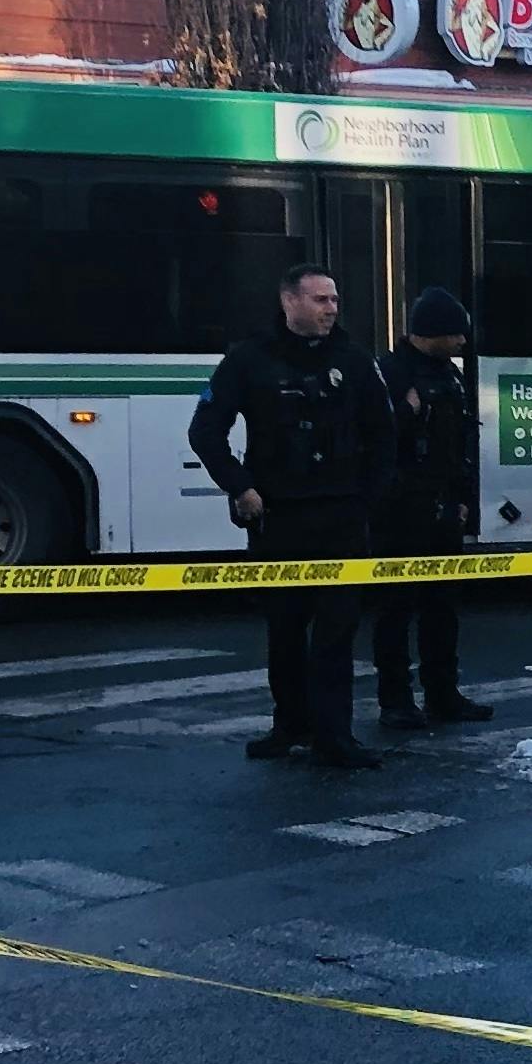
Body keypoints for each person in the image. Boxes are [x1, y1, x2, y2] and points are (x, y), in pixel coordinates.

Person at [189, 263, 395, 769]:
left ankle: (335, 736)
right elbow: (206, 430)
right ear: (289, 302)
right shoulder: (250, 359)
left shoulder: (354, 359)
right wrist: (240, 487)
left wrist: (365, 499)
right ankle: (290, 726)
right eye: (321, 300)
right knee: (283, 630)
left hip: (340, 518)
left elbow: (383, 435)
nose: (332, 309)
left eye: (335, 300)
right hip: (278, 517)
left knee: (336, 632)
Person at [372, 288, 492, 732]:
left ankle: (443, 694)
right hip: (399, 512)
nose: (463, 342)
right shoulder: (390, 374)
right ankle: (396, 701)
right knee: (396, 609)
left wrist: (463, 501)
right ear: (433, 333)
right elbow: (374, 441)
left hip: (442, 509)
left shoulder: (450, 376)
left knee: (442, 607)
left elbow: (460, 444)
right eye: (456, 334)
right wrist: (403, 415)